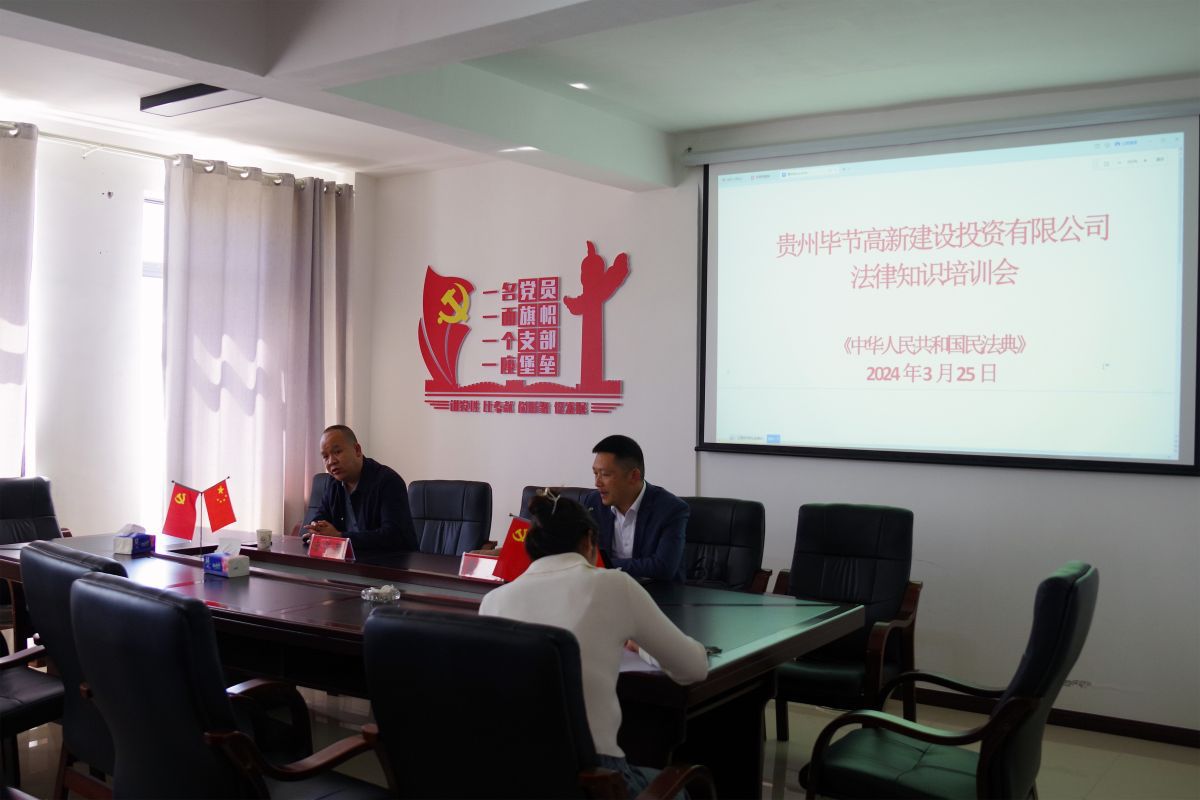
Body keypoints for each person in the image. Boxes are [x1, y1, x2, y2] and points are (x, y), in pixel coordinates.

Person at [479, 491, 708, 796]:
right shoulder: (613, 584)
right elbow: (693, 667)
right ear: (589, 540)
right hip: (594, 778)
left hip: (515, 774)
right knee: (680, 786)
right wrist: (641, 647)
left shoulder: (493, 601)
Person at [582, 435, 688, 582]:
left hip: (656, 592)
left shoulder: (670, 509)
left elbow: (663, 567)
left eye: (605, 474)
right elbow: (580, 556)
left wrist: (603, 563)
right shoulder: (592, 503)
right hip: (606, 588)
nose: (597, 483)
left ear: (634, 476)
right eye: (595, 473)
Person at [305, 425, 418, 553]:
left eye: (337, 452)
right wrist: (315, 529)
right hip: (351, 560)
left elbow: (393, 536)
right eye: (325, 456)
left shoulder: (388, 482)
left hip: (391, 562)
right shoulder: (334, 483)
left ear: (357, 450)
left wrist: (339, 537)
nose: (331, 461)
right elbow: (320, 517)